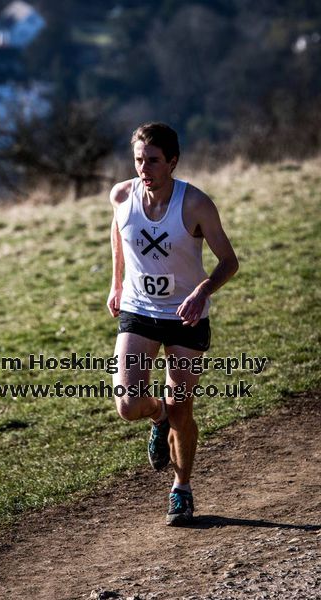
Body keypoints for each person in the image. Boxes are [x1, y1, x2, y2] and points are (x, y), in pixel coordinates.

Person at [107, 122, 239, 526]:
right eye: (138, 160)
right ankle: (155, 415)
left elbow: (229, 262)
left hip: (186, 314)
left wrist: (202, 291)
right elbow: (119, 230)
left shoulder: (195, 204)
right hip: (138, 309)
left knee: (183, 409)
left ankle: (181, 489)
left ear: (173, 162)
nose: (144, 168)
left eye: (153, 161)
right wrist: (116, 284)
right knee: (128, 404)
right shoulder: (122, 195)